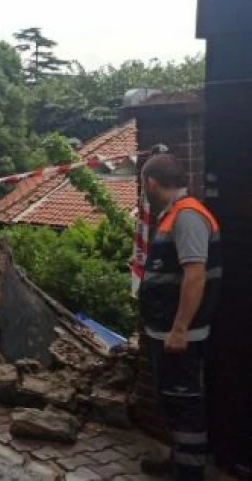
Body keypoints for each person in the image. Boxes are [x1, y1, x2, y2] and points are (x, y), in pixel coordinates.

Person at [137, 154, 220, 481]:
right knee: (172, 400)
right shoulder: (175, 215)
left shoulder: (187, 217)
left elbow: (195, 275)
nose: (145, 191)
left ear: (151, 183)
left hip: (179, 335)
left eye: (145, 185)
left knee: (184, 404)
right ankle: (177, 459)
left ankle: (189, 473)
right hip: (166, 331)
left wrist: (179, 328)